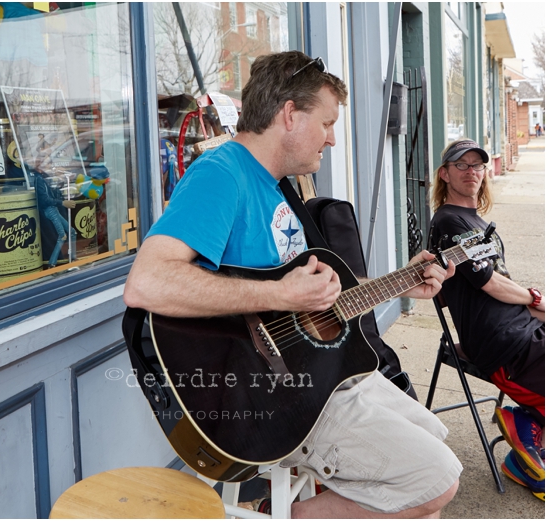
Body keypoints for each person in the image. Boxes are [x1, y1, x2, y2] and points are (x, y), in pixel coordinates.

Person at [124, 51, 460, 518]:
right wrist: (279, 295)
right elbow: (147, 283)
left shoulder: (279, 185)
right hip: (268, 392)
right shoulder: (221, 175)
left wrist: (401, 284)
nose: (333, 139)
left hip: (323, 374)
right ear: (289, 114)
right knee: (433, 480)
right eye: (326, 123)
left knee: (435, 441)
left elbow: (313, 296)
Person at [429, 138, 545, 501]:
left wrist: (531, 304)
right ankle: (524, 423)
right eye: (461, 165)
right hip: (499, 343)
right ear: (445, 174)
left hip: (517, 328)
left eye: (476, 165)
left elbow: (500, 283)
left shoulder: (475, 221)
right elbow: (489, 282)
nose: (471, 172)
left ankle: (523, 451)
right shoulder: (449, 221)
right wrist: (534, 298)